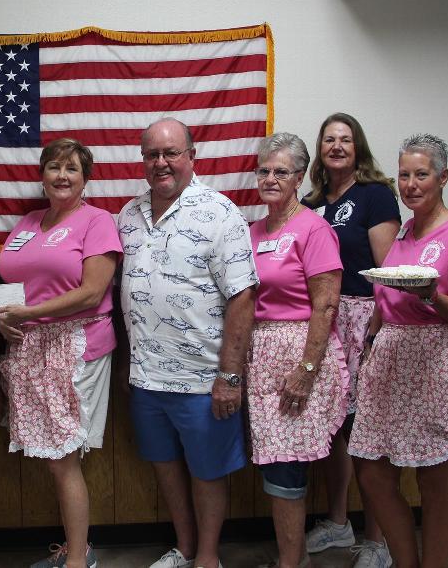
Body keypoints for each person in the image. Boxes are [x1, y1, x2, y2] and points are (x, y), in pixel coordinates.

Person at [117, 118, 257, 568]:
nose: (162, 163)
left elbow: (243, 297)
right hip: (146, 376)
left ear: (191, 157)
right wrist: (126, 362)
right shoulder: (128, 215)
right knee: (164, 465)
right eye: (152, 154)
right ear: (143, 160)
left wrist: (229, 377)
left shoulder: (220, 213)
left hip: (203, 378)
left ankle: (209, 557)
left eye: (171, 153)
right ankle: (186, 547)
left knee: (208, 470)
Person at [349, 134, 448, 568]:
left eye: (421, 175)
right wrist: (371, 342)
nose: (411, 184)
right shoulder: (407, 230)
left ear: (443, 177)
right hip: (392, 364)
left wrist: (431, 294)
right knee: (372, 472)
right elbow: (387, 293)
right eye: (404, 175)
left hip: (437, 366)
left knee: (435, 485)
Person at [0, 139, 122, 568]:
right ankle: (74, 548)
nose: (62, 176)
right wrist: (3, 318)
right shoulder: (28, 222)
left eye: (71, 168)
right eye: (54, 167)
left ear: (85, 178)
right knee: (53, 458)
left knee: (64, 457)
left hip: (76, 345)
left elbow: (91, 292)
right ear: (42, 174)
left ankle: (77, 559)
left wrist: (29, 312)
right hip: (29, 349)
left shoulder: (97, 221)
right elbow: (11, 283)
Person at [301, 114, 400, 567]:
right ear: (319, 149)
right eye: (329, 140)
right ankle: (338, 523)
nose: (337, 146)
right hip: (325, 323)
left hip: (365, 320)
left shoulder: (375, 196)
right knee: (335, 429)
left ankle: (377, 539)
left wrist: (378, 331)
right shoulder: (312, 201)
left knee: (368, 431)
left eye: (345, 139)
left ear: (358, 147)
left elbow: (389, 273)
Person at [247, 132, 347, 568]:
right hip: (259, 354)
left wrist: (307, 369)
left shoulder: (313, 228)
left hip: (299, 354)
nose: (271, 178)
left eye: (281, 171)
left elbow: (326, 303)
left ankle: (292, 562)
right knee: (275, 461)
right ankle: (296, 556)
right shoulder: (251, 230)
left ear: (299, 177)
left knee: (287, 463)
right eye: (264, 170)